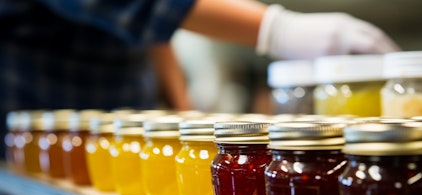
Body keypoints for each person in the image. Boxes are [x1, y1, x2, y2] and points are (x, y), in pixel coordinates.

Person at [0, 0, 399, 158]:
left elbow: (150, 31)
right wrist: (276, 28)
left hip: (123, 134)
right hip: (37, 141)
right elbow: (145, 6)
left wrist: (183, 111)